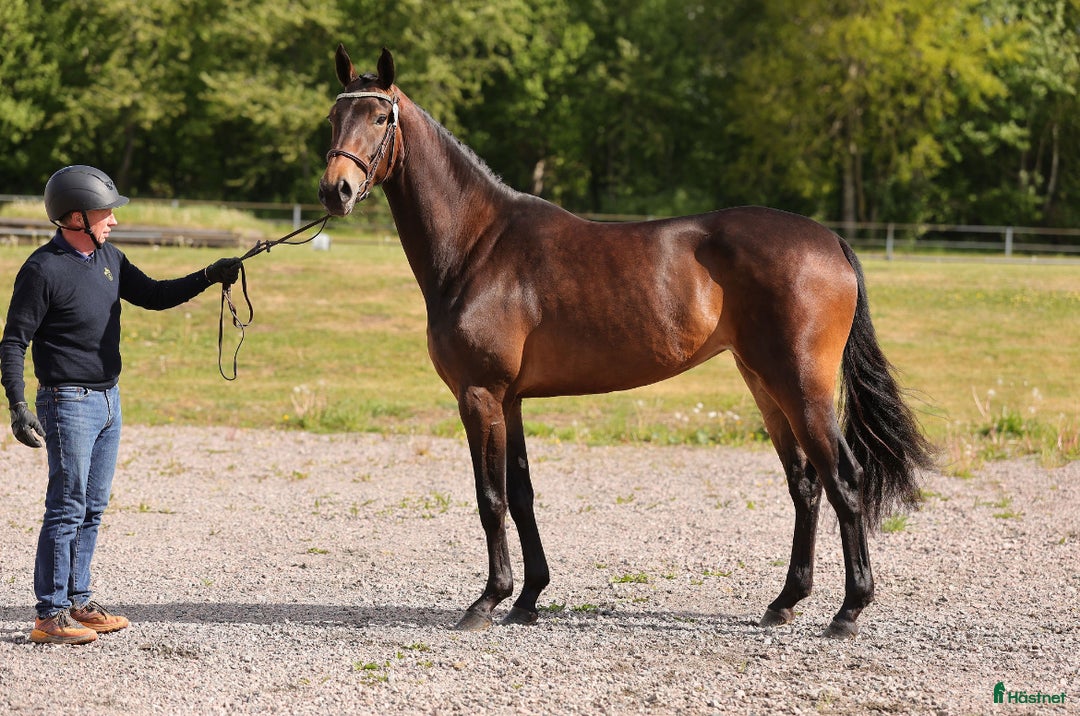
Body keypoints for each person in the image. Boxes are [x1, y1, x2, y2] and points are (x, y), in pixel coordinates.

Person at [0, 165, 243, 645]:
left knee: (92, 506)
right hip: (66, 402)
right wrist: (18, 404)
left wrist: (210, 275)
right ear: (75, 217)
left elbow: (154, 295)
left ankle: (77, 600)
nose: (112, 219)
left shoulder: (109, 257)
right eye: (104, 211)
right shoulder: (41, 270)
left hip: (109, 399)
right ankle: (49, 616)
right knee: (66, 508)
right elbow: (13, 343)